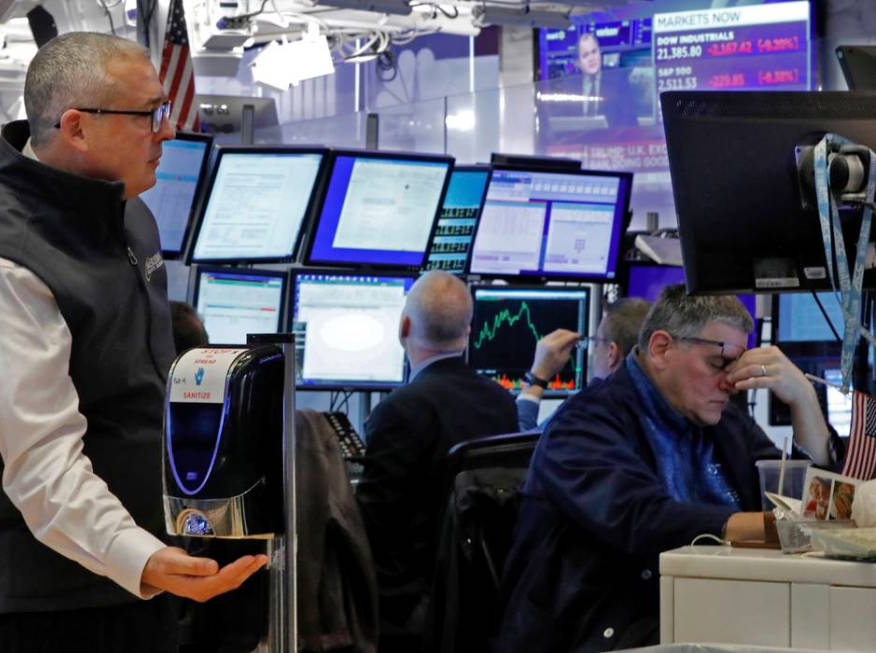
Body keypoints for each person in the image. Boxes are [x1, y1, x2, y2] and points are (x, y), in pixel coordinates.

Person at [0, 32, 266, 651]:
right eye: (151, 115)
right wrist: (142, 558)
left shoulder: (130, 215)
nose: (170, 131)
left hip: (136, 580)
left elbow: (137, 391)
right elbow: (42, 463)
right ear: (77, 128)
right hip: (44, 608)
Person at [497, 284, 842, 652]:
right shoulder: (583, 425)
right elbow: (643, 519)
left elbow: (811, 501)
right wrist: (784, 528)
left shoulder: (723, 422)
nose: (731, 382)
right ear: (662, 348)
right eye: (720, 363)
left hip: (711, 612)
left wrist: (803, 399)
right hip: (608, 630)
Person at [355, 270, 518, 651]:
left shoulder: (399, 410)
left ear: (404, 326)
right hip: (485, 604)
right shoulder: (502, 401)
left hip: (412, 614)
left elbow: (373, 529)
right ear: (469, 331)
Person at [517, 297, 652, 431]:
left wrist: (537, 378)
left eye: (597, 342)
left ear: (612, 354)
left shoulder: (582, 413)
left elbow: (516, 445)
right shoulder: (662, 408)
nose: (594, 351)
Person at [540, 32, 637, 131]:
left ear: (600, 52)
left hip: (611, 143)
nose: (591, 59)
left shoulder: (618, 79)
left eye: (594, 52)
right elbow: (559, 122)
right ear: (577, 62)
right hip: (578, 142)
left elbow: (630, 121)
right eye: (585, 55)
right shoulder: (569, 84)